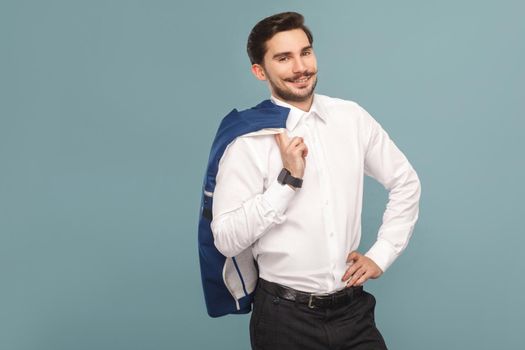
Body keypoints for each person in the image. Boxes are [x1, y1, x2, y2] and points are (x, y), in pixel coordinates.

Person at [210, 11, 421, 350]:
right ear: (259, 71)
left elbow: (405, 181)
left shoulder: (350, 117)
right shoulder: (247, 140)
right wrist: (288, 181)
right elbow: (225, 239)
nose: (300, 67)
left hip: (353, 311)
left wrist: (382, 254)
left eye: (305, 52)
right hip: (284, 319)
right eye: (284, 58)